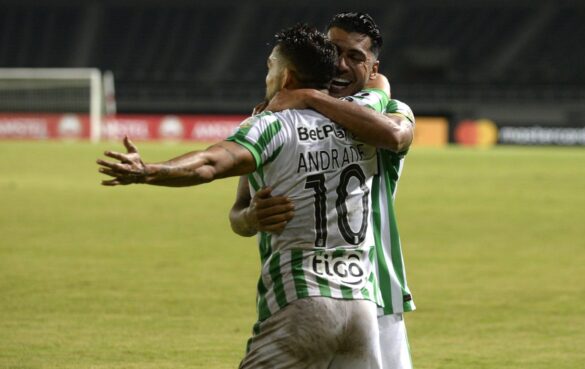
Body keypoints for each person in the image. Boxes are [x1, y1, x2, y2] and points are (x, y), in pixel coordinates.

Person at [98, 24, 396, 368]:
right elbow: (379, 85)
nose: (267, 74)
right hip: (361, 307)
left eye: (271, 66)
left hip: (301, 300)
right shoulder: (367, 114)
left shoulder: (271, 125)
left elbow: (210, 163)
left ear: (287, 77)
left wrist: (149, 171)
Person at [229, 12, 416, 369]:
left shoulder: (391, 111)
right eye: (334, 52)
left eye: (355, 57)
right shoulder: (279, 119)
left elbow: (394, 136)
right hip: (304, 294)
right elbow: (238, 212)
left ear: (374, 69)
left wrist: (309, 97)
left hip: (374, 294)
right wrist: (250, 217)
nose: (341, 65)